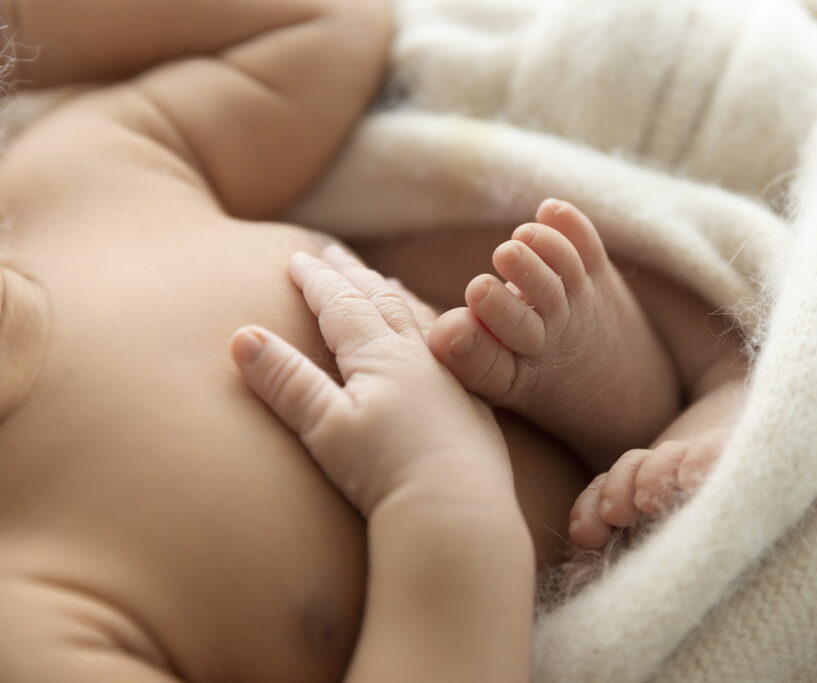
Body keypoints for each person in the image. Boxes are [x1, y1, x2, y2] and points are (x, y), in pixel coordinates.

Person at [0, 0, 746, 680]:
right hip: (560, 623)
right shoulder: (25, 624)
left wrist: (18, 24)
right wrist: (438, 491)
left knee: (506, 276)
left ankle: (682, 391)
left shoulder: (63, 181)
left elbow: (322, 23)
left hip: (578, 396)